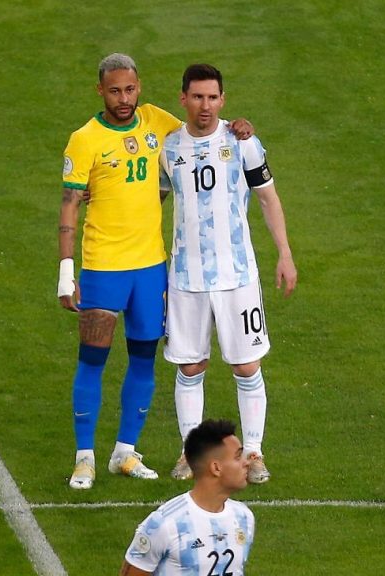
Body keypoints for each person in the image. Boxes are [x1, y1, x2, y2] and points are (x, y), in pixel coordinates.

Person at [58, 54, 254, 490]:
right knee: (92, 360)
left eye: (130, 89)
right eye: (114, 91)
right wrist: (66, 272)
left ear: (139, 87)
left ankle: (124, 452)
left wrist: (238, 126)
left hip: (151, 267)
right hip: (103, 265)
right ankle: (84, 458)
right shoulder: (84, 139)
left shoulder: (155, 121)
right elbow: (69, 204)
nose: (123, 99)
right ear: (100, 91)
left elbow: (199, 131)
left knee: (143, 360)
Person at [159, 64, 297, 485]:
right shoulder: (168, 148)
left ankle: (252, 452)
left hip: (237, 274)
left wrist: (285, 253)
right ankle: (191, 453)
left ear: (223, 100)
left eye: (212, 97)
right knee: (190, 366)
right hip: (186, 277)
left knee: (247, 365)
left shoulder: (243, 143)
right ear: (183, 98)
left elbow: (268, 199)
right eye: (197, 97)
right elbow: (148, 202)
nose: (205, 105)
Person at [120, 419, 255, 575]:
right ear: (216, 468)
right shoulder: (165, 524)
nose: (247, 463)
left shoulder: (244, 517)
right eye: (238, 457)